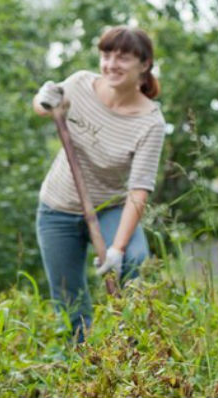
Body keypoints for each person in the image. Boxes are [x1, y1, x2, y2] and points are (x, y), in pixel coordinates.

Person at [32, 26, 166, 342]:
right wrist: (44, 100)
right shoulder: (80, 84)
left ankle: (135, 350)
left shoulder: (150, 122)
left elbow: (139, 190)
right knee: (68, 298)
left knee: (134, 262)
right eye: (106, 55)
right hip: (57, 208)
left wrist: (117, 250)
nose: (111, 64)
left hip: (111, 207)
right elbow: (44, 107)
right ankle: (82, 363)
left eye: (123, 57)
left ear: (144, 64)